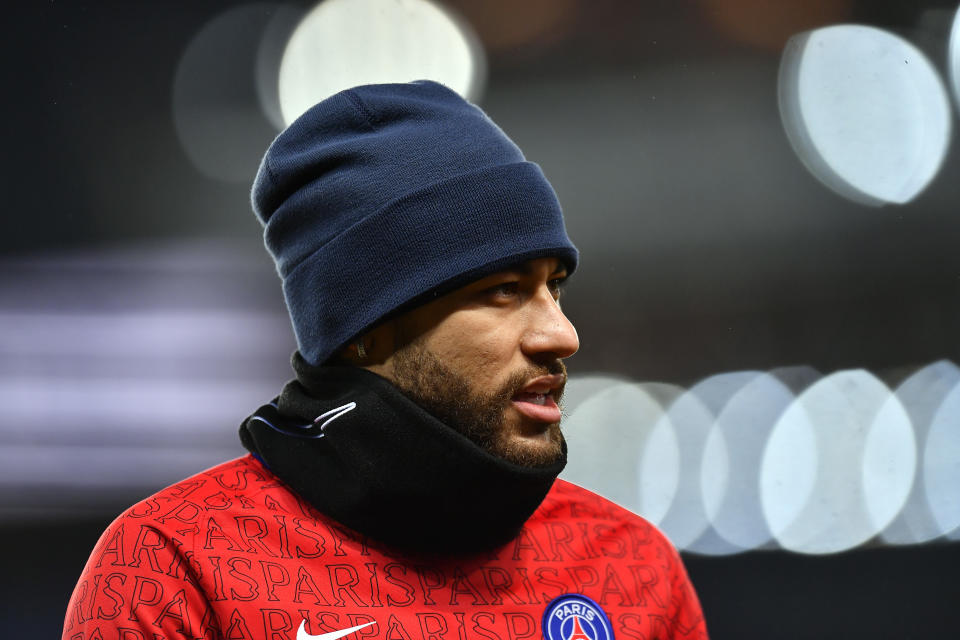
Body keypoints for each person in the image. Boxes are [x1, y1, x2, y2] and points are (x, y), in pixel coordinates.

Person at [62, 81, 707, 640]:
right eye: (503, 291)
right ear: (363, 328)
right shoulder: (175, 568)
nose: (561, 334)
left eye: (554, 287)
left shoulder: (633, 570)